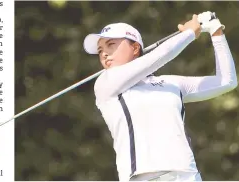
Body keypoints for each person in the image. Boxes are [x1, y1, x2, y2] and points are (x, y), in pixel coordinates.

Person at [83, 11, 237, 181]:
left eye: (111, 44)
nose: (104, 53)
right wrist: (190, 33)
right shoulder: (105, 83)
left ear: (135, 48)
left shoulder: (170, 84)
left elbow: (226, 81)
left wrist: (216, 32)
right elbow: (159, 56)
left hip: (187, 175)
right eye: (100, 50)